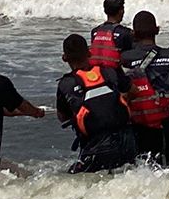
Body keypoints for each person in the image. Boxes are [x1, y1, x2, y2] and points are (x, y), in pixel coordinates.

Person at [56, 34, 136, 173]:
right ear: (89, 52)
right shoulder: (109, 71)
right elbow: (134, 91)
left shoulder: (65, 84)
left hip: (96, 149)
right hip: (127, 143)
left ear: (64, 58)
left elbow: (62, 117)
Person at [120, 10, 169, 164]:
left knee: (143, 165)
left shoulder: (125, 58)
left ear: (133, 34)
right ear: (157, 30)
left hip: (141, 120)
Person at [89, 0, 133, 69]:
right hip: (115, 75)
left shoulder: (95, 32)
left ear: (105, 11)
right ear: (121, 11)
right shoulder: (125, 33)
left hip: (95, 74)